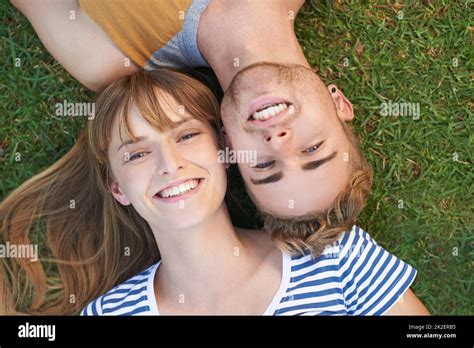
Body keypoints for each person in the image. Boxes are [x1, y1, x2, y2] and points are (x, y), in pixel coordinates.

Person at [0, 69, 428, 315]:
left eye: (185, 136)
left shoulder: (335, 256)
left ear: (226, 149)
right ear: (118, 189)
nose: (170, 164)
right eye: (136, 154)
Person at [10, 1, 372, 255]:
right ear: (338, 103)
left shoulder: (104, 56)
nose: (278, 142)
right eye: (312, 150)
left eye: (264, 167)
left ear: (227, 144)